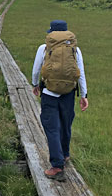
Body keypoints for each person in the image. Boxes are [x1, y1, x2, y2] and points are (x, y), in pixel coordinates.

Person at [32, 20, 88, 182]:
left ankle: (57, 167)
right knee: (65, 123)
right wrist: (84, 95)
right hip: (69, 93)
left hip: (49, 93)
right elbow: (80, 73)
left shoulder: (44, 48)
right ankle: (65, 154)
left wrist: (35, 85)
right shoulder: (75, 50)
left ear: (51, 33)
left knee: (52, 127)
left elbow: (36, 70)